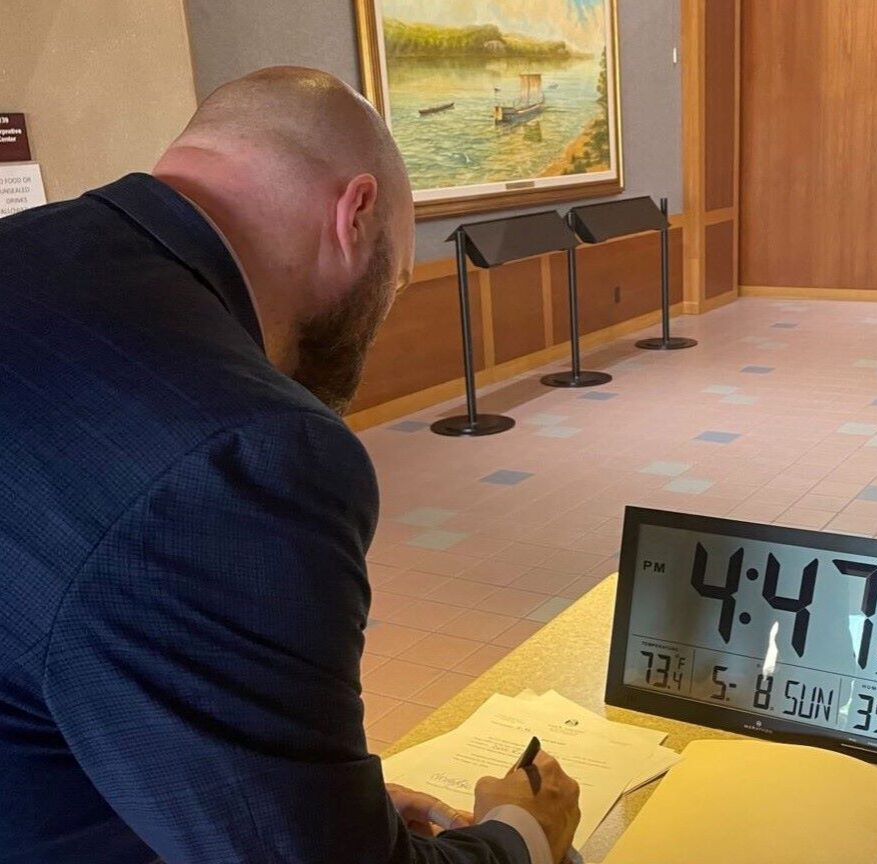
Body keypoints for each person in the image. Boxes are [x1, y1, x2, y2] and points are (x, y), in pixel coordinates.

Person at [0, 67, 579, 864]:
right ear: (356, 213)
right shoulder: (245, 452)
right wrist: (521, 834)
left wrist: (316, 794)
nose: (381, 316)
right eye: (398, 278)